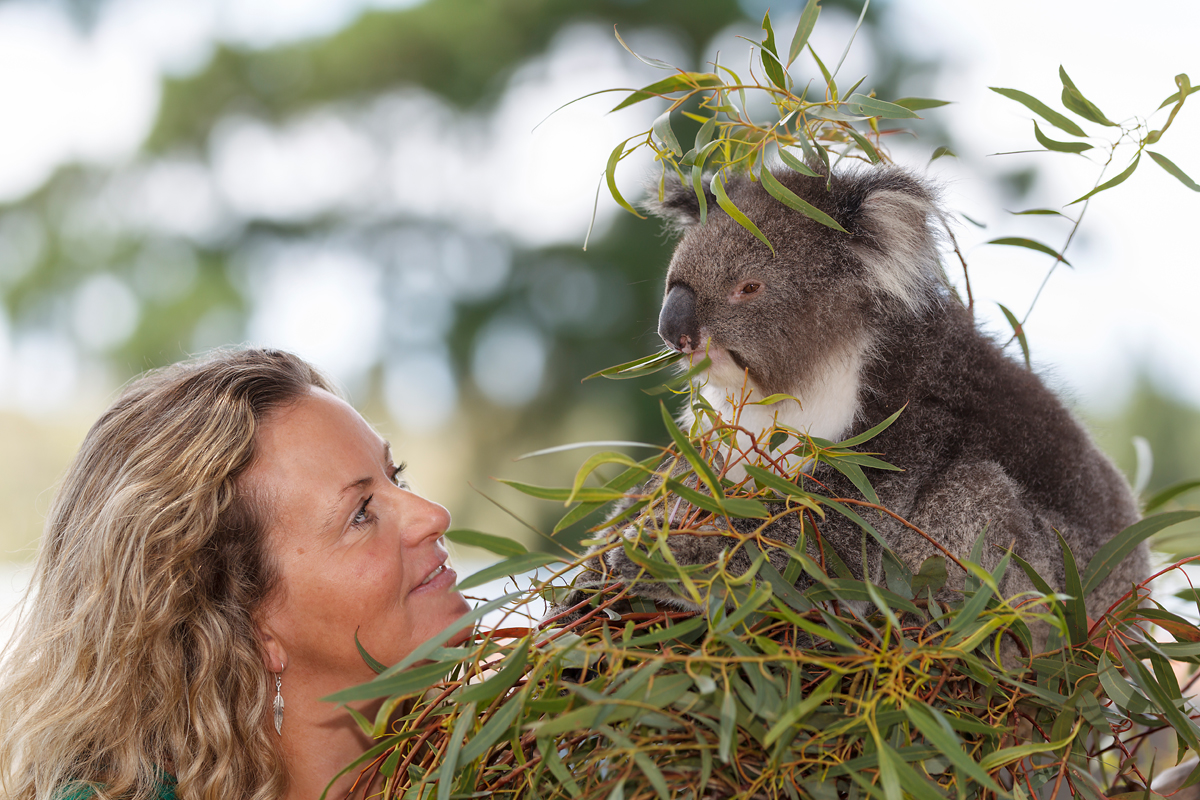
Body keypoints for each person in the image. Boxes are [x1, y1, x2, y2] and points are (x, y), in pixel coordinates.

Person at [0, 348, 471, 800]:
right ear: (247, 621)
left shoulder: (502, 755)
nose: (434, 515)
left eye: (397, 476)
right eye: (361, 513)